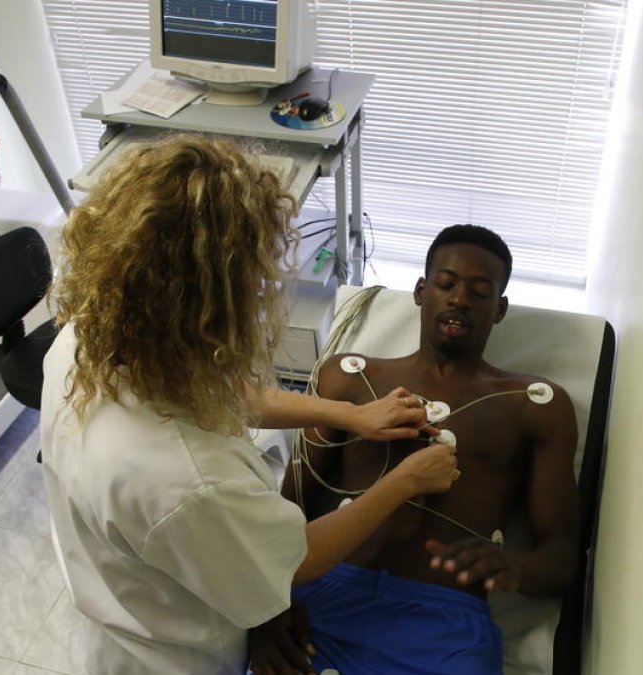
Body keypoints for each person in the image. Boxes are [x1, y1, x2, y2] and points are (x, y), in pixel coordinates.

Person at [39, 135, 461, 675]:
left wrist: (349, 415)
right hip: (172, 654)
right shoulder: (186, 482)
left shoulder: (85, 339)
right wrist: (405, 481)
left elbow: (209, 393)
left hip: (124, 586)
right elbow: (294, 562)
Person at [250, 225, 580, 675]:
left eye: (480, 291)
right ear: (421, 292)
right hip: (322, 602)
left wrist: (515, 568)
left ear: (499, 309)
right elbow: (286, 515)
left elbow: (563, 558)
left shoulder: (535, 406)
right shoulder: (351, 380)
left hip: (446, 631)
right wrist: (265, 614)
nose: (460, 299)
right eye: (446, 284)